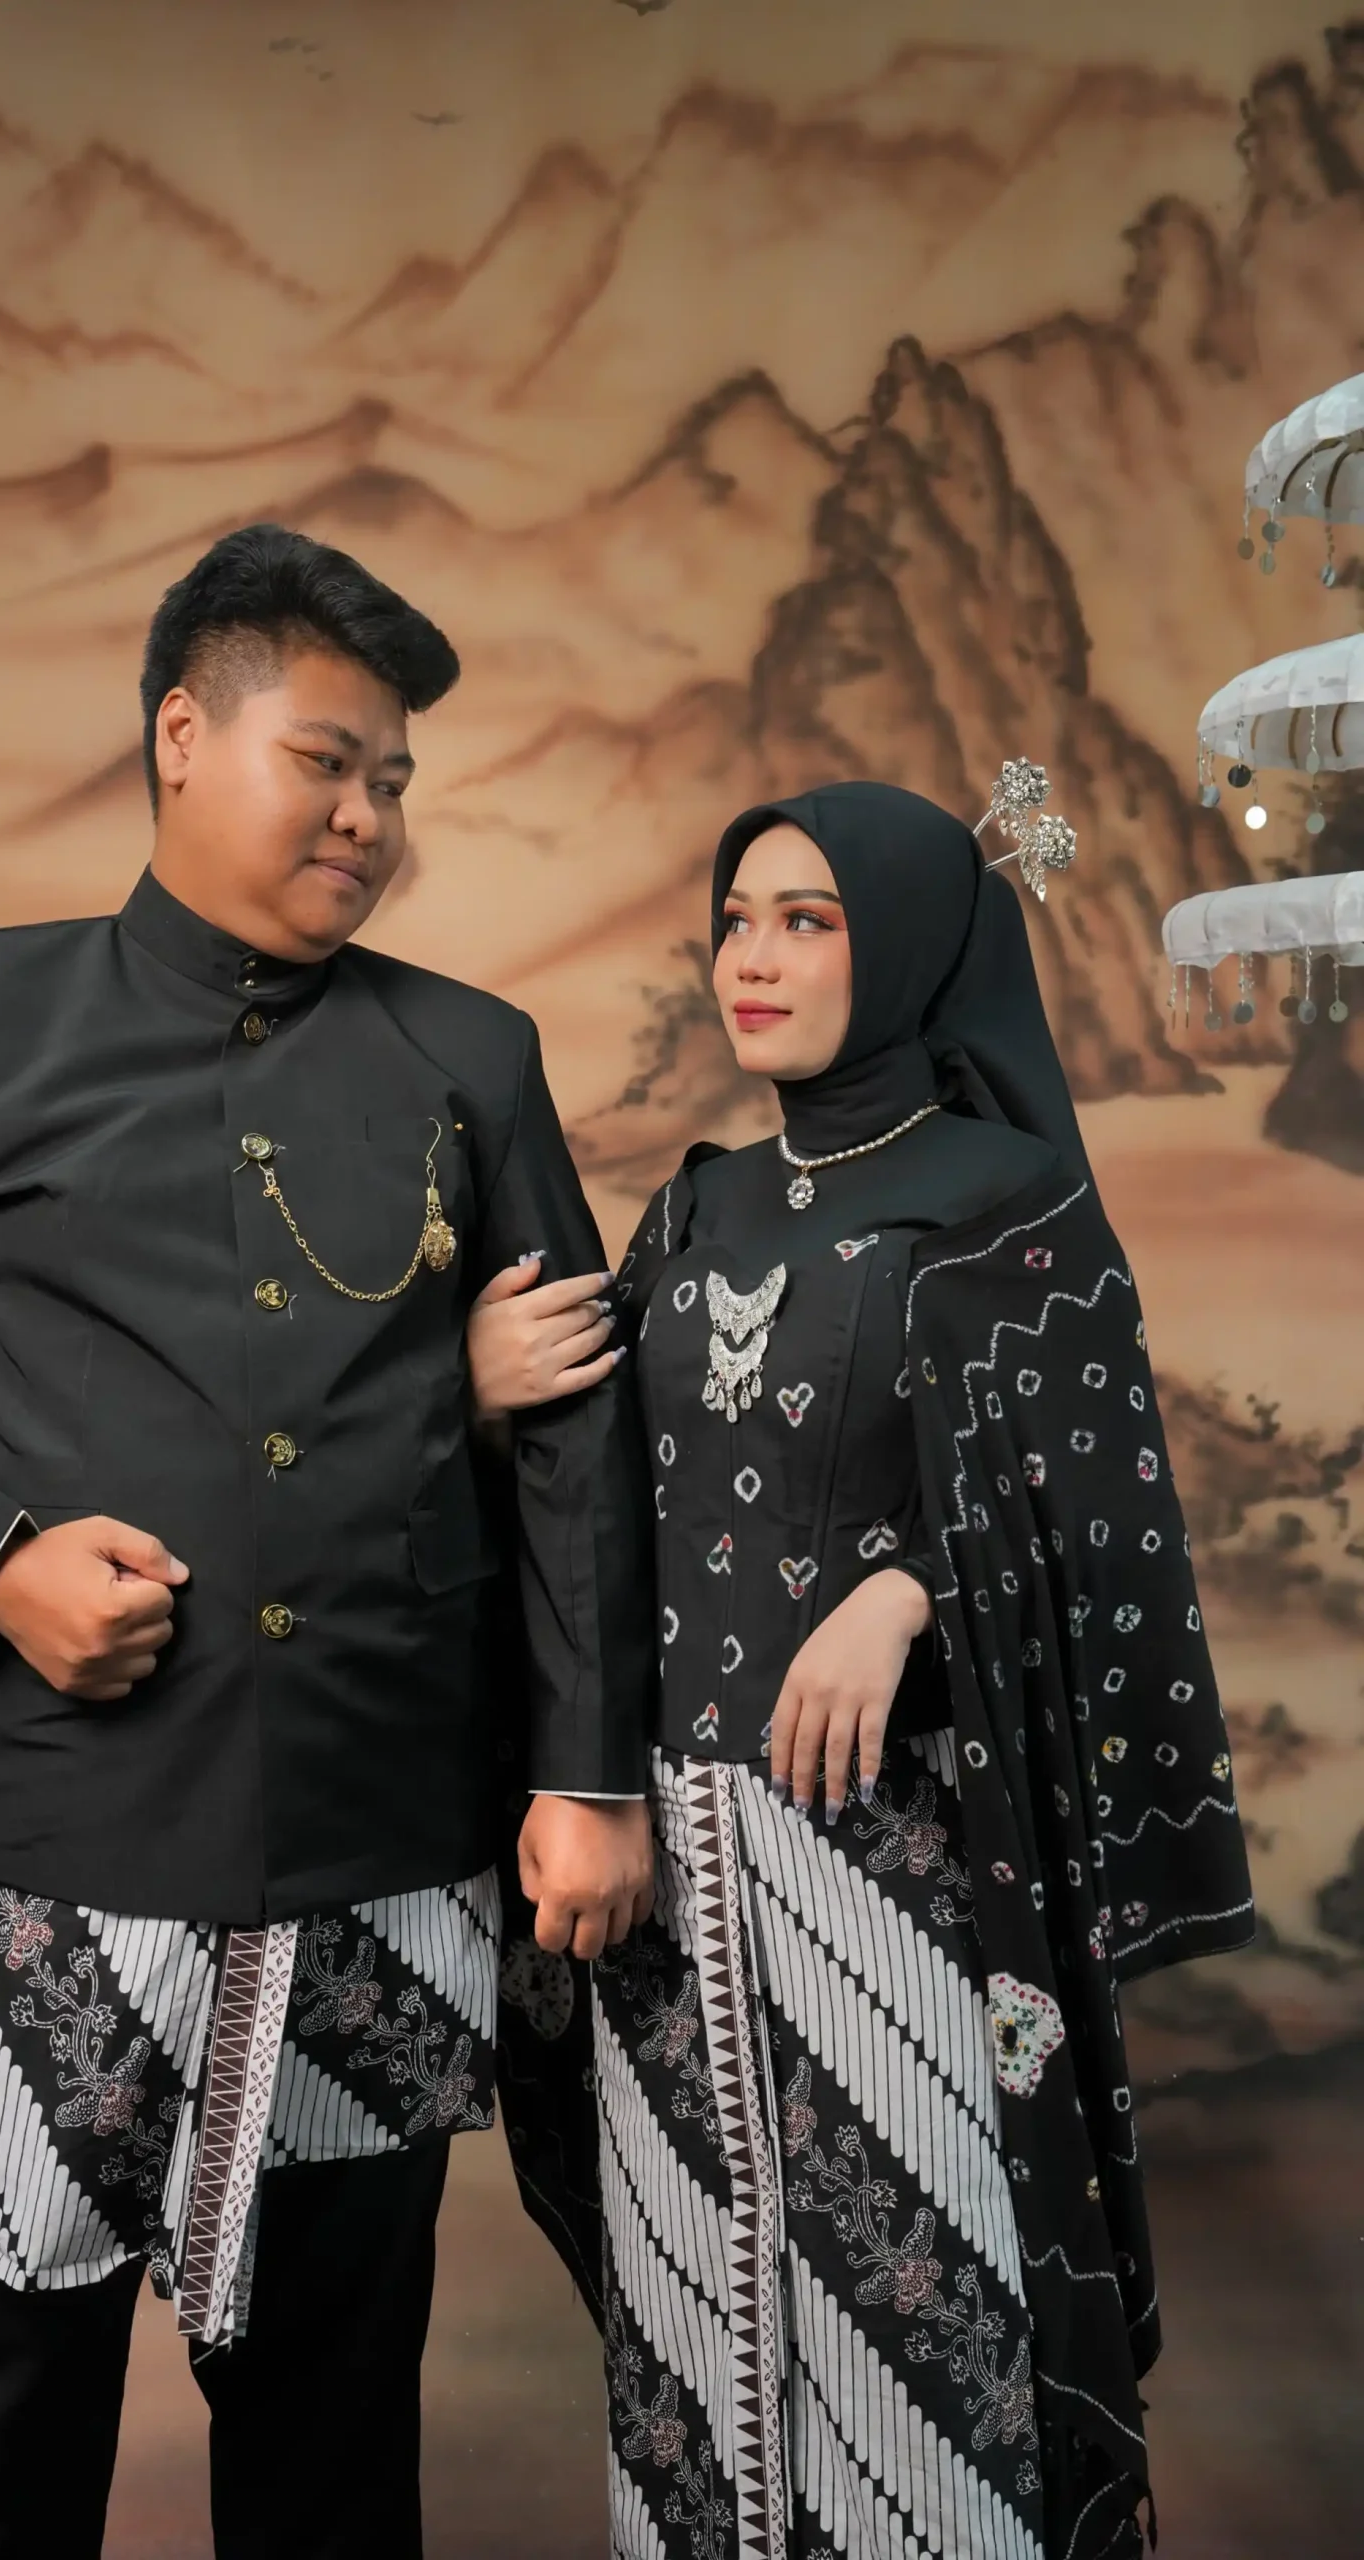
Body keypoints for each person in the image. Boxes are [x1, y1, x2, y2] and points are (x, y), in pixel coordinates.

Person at [0, 523, 657, 2560]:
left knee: (331, 2458)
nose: (367, 813)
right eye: (326, 759)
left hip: (377, 1844)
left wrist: (582, 1773)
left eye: (392, 777)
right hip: (34, 1842)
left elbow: (572, 1438)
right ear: (179, 737)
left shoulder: (470, 1054)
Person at [468, 784, 1255, 2560]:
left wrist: (907, 1593)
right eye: (736, 919)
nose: (750, 958)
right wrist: (479, 1394)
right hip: (667, 1891)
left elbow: (1106, 1524)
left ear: (900, 947)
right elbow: (591, 1502)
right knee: (697, 2349)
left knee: (922, 2329)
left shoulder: (1007, 1204)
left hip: (900, 1879)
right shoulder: (693, 1208)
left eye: (807, 921)